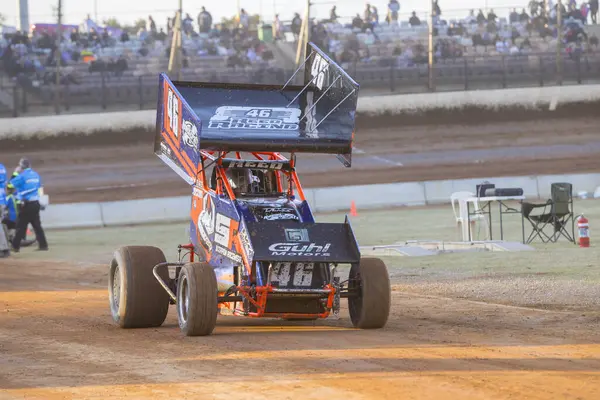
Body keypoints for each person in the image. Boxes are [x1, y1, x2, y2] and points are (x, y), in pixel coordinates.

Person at [9, 158, 48, 252]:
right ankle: (43, 245)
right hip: (35, 203)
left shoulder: (22, 176)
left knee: (20, 225)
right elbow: (39, 187)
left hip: (26, 204)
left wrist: (15, 173)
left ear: (21, 166)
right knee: (37, 226)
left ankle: (15, 246)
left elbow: (10, 185)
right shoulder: (36, 175)